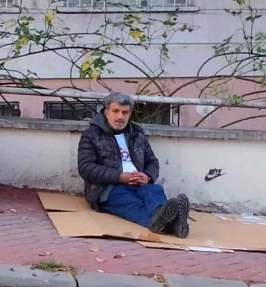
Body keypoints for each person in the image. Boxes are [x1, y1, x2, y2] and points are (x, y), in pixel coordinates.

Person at [77, 92, 190, 238]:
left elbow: (152, 161)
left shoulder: (137, 133)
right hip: (109, 189)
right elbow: (86, 168)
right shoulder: (91, 134)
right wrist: (119, 177)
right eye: (115, 111)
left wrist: (147, 176)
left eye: (125, 112)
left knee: (154, 190)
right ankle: (172, 223)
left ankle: (163, 220)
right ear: (106, 112)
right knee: (132, 203)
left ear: (130, 114)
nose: (120, 117)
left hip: (140, 184)